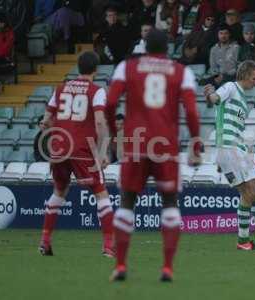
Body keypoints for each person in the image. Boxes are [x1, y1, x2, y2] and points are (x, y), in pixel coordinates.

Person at [106, 29, 202, 282]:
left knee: (127, 202)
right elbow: (192, 111)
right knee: (169, 204)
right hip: (166, 146)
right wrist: (195, 142)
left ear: (144, 47)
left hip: (135, 143)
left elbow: (110, 102)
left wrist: (112, 131)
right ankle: (167, 268)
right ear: (168, 48)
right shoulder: (182, 72)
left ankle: (120, 265)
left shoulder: (126, 67)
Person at [38, 51, 115, 258]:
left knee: (59, 192)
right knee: (101, 193)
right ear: (95, 70)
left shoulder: (61, 88)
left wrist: (48, 127)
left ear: (78, 67)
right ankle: (109, 246)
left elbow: (46, 121)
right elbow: (100, 122)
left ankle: (45, 241)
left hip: (59, 148)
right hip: (81, 149)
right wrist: (102, 152)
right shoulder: (97, 91)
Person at [204, 60, 255, 251]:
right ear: (244, 75)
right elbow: (216, 98)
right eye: (254, 78)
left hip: (232, 149)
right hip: (229, 148)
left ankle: (246, 240)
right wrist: (210, 94)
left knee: (252, 193)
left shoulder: (243, 99)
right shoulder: (230, 87)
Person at [207, 23, 240, 87]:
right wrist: (217, 76)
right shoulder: (214, 49)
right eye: (221, 33)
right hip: (218, 77)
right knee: (202, 83)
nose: (223, 36)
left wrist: (225, 75)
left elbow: (239, 66)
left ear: (229, 34)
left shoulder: (236, 48)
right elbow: (213, 66)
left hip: (233, 77)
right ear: (218, 35)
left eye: (226, 33)